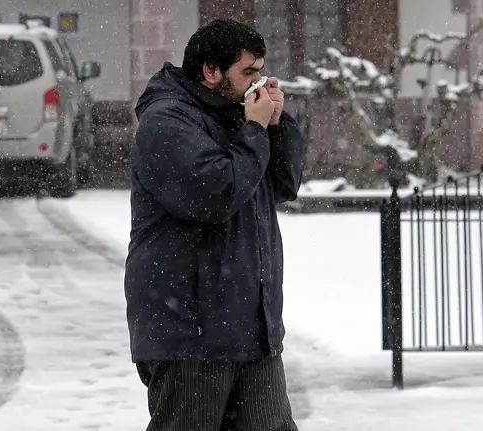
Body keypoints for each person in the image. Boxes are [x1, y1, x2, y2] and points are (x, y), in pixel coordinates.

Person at [124, 18, 304, 431]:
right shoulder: (167, 122)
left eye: (261, 71)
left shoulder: (236, 116)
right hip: (192, 330)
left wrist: (274, 126)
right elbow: (215, 194)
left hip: (251, 327)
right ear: (210, 71)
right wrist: (255, 128)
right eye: (248, 73)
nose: (259, 83)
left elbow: (283, 184)